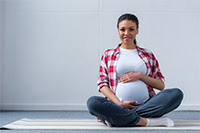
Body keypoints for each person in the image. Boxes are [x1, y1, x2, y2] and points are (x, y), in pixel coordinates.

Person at [87, 13, 183, 127]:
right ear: (118, 31)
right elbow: (102, 84)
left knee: (176, 94)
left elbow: (160, 86)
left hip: (146, 105)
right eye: (123, 29)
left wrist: (140, 76)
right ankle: (146, 121)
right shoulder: (108, 55)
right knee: (92, 103)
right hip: (116, 105)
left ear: (137, 31)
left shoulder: (148, 54)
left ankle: (118, 118)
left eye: (131, 29)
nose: (126, 33)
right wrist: (119, 104)